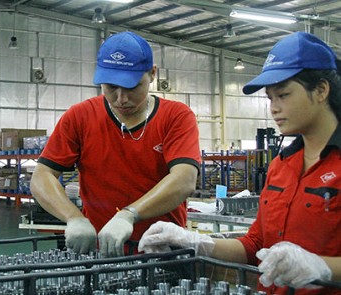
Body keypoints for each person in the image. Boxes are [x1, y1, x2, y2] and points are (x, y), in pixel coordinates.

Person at [138, 32, 341, 294]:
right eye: (270, 98)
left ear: (321, 90)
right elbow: (253, 245)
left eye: (284, 95)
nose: (274, 108)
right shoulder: (281, 165)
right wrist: (196, 242)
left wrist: (322, 267)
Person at [30, 31, 201, 257]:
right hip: (102, 252)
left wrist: (129, 214)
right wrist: (73, 217)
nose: (121, 99)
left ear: (152, 74)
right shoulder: (80, 117)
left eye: (131, 87)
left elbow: (184, 179)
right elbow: (42, 176)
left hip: (161, 250)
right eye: (111, 87)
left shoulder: (176, 117)